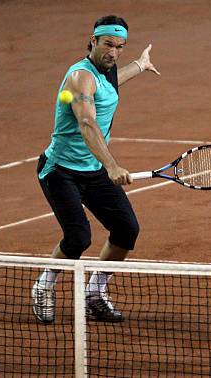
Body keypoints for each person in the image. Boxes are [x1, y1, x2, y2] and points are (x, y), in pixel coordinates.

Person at [31, 15, 160, 324]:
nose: (113, 53)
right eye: (107, 45)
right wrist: (112, 165)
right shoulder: (80, 77)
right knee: (77, 237)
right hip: (60, 170)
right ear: (92, 41)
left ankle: (94, 292)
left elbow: (110, 83)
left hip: (92, 170)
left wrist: (140, 66)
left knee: (126, 229)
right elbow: (87, 123)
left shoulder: (107, 71)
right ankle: (44, 286)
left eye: (119, 47)